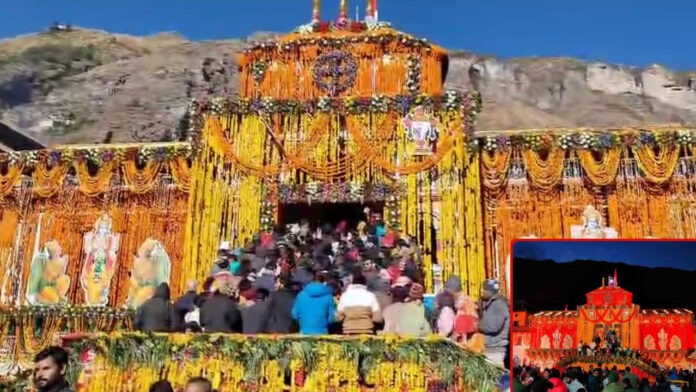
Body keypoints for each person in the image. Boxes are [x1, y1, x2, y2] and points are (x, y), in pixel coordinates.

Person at [291, 269, 336, 335]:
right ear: (324, 282)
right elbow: (332, 318)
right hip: (322, 332)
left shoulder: (301, 295)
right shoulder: (328, 296)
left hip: (304, 332)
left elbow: (294, 314)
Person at [478, 279, 510, 367]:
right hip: (491, 349)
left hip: (495, 351)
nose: (482, 292)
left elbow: (491, 327)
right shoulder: (492, 303)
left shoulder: (498, 305)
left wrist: (476, 326)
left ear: (489, 291)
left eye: (483, 290)